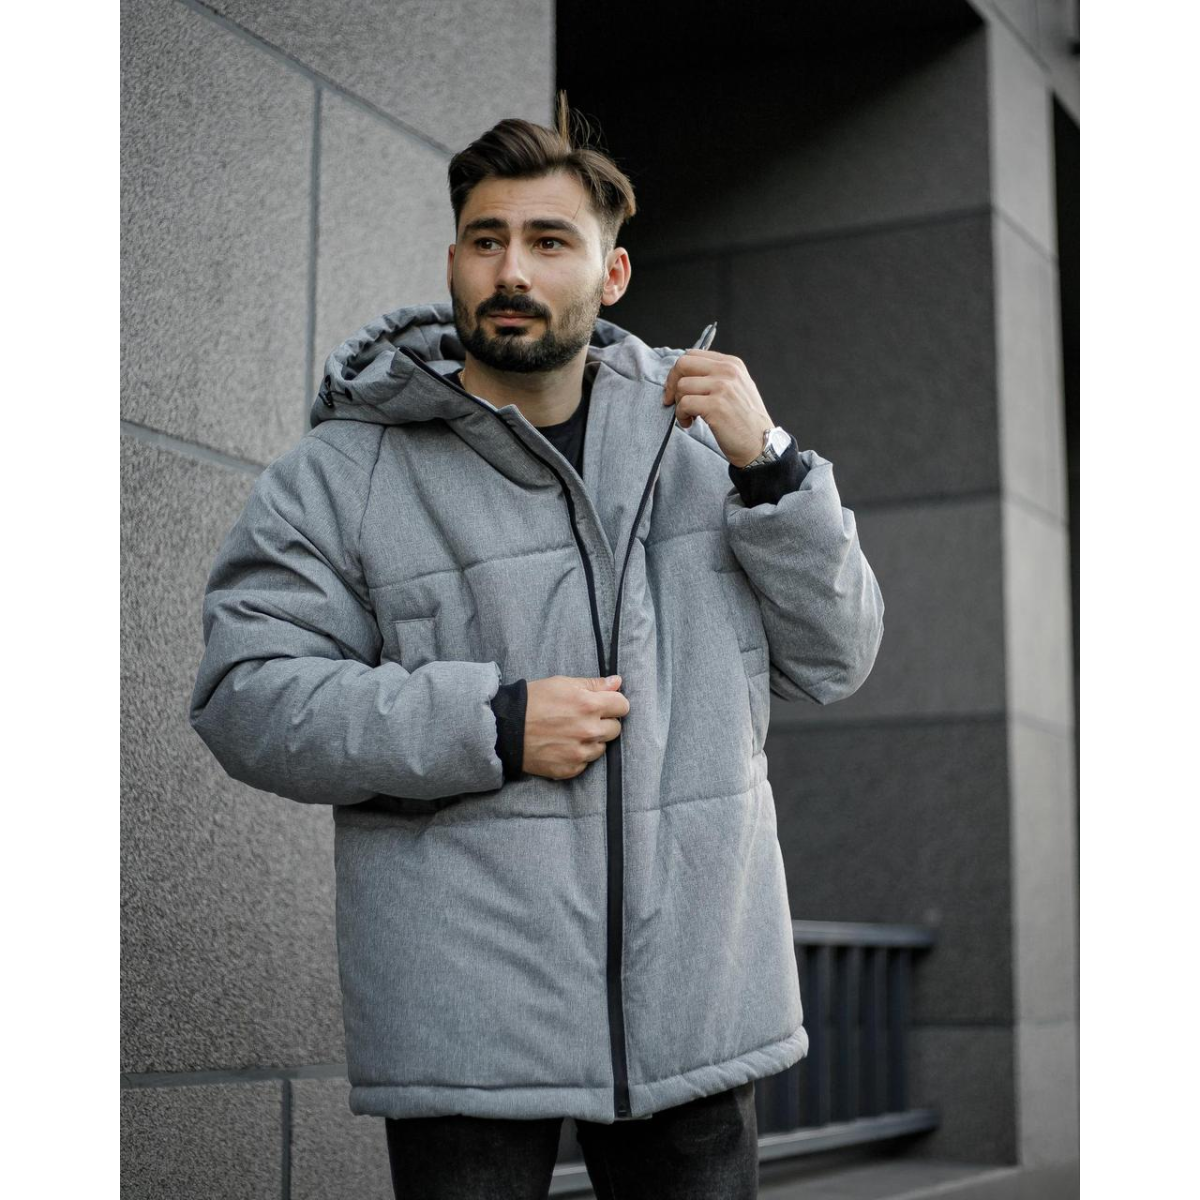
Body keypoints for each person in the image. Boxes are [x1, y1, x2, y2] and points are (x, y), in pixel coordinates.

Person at [189, 94, 884, 1200]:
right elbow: (247, 696)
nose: (510, 269)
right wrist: (493, 725)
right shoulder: (342, 474)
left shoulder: (708, 446)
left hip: (695, 1006)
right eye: (487, 240)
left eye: (550, 241)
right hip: (465, 1020)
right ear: (454, 262)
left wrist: (776, 470)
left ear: (612, 275)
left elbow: (838, 655)